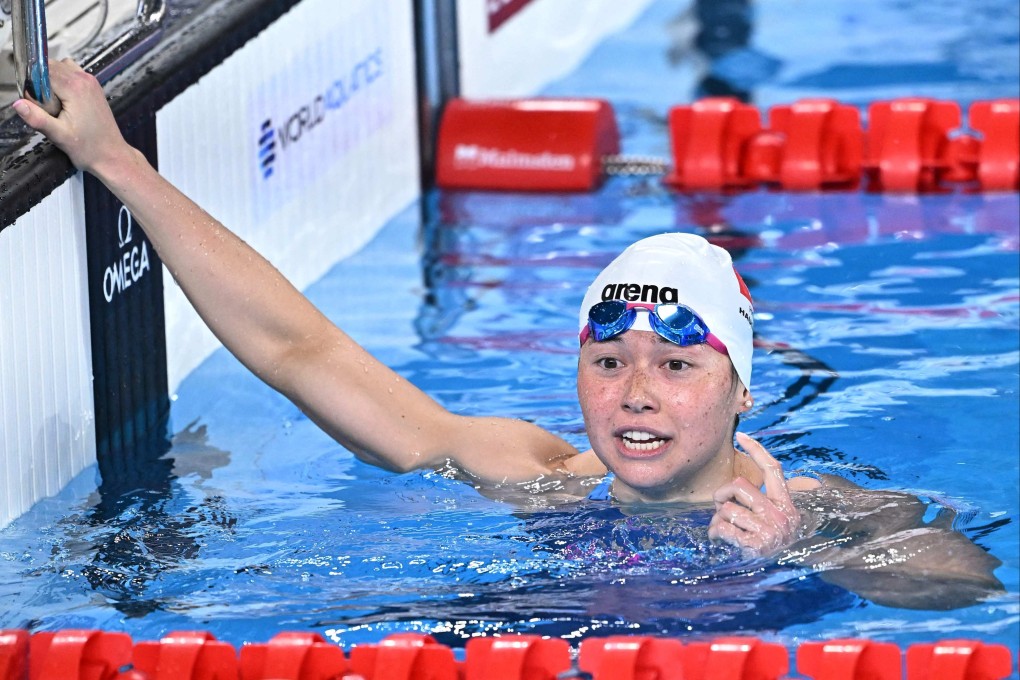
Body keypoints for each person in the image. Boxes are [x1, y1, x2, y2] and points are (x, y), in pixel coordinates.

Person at [14, 60, 1004, 607]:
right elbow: (299, 350)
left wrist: (804, 553)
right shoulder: (536, 474)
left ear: (743, 386)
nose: (637, 390)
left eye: (677, 363)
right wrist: (117, 164)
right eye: (607, 360)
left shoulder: (815, 505)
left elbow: (971, 583)